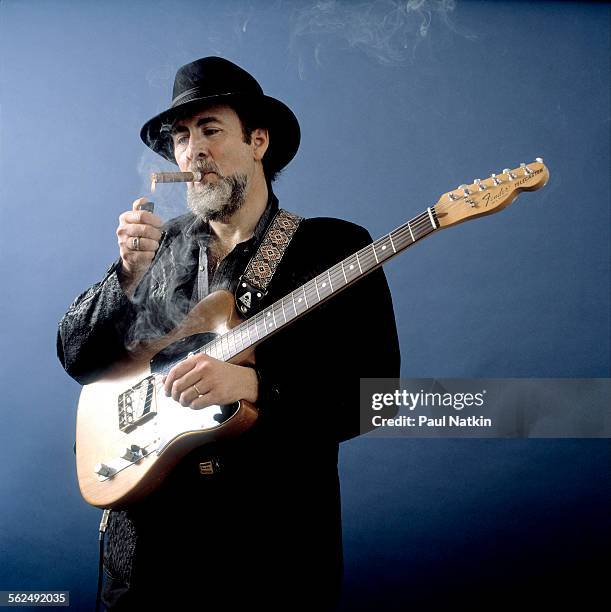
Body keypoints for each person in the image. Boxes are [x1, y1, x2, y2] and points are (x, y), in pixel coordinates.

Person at [57, 56, 400, 611]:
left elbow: (377, 399)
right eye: (181, 137)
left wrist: (256, 386)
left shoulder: (331, 250)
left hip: (269, 555)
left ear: (258, 141)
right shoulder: (158, 250)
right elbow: (77, 357)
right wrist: (124, 276)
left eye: (211, 130)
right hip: (147, 554)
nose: (194, 150)